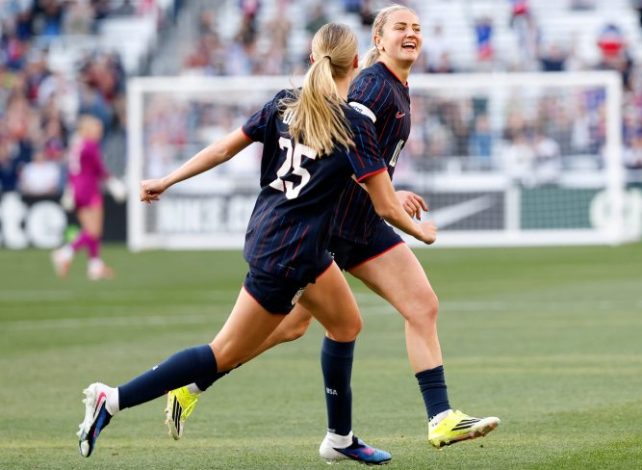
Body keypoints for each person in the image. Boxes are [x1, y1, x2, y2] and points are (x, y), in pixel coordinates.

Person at [76, 22, 436, 465]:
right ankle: (111, 399)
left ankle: (340, 438)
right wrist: (421, 232)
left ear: (311, 60)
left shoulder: (284, 104)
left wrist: (168, 180)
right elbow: (384, 205)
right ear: (357, 64)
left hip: (285, 240)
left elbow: (225, 149)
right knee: (220, 353)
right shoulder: (354, 124)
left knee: (345, 325)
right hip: (287, 256)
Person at [166, 5, 500, 449]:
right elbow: (337, 147)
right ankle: (193, 382)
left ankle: (439, 418)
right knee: (289, 326)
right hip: (334, 228)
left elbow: (364, 160)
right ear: (376, 41)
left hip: (362, 223)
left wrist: (388, 193)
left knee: (418, 306)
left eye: (417, 28)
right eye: (400, 27)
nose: (411, 34)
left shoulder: (396, 86)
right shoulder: (370, 87)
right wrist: (391, 204)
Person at [51, 115, 119, 280]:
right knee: (94, 230)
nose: (99, 131)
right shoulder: (89, 145)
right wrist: (113, 182)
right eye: (96, 128)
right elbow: (99, 168)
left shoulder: (77, 146)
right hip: (89, 189)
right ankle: (65, 253)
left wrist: (70, 190)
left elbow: (72, 170)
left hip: (78, 190)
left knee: (90, 230)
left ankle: (94, 266)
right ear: (87, 129)